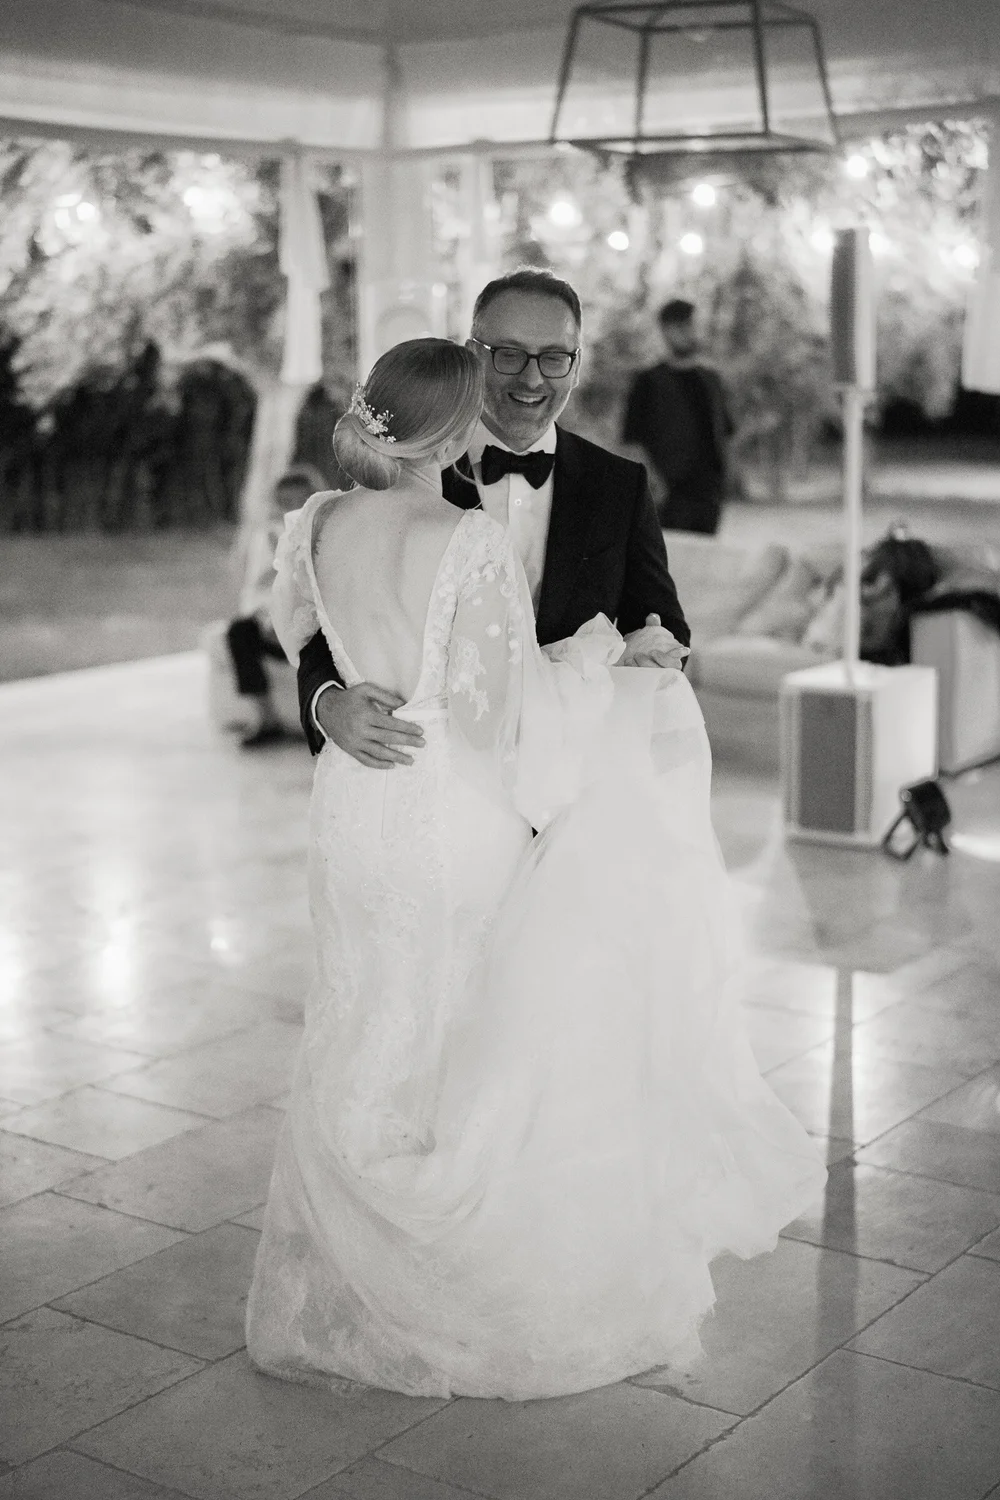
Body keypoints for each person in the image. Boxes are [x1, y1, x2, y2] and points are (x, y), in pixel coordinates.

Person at [245, 336, 826, 1401]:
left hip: (358, 809)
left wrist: (344, 695)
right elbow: (492, 720)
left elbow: (305, 629)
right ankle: (450, 1277)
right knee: (464, 1026)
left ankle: (351, 1267)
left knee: (367, 1014)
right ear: (451, 428)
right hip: (449, 812)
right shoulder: (466, 538)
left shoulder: (317, 520)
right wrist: (604, 669)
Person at [295, 267, 691, 771]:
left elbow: (660, 624)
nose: (533, 378)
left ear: (575, 365)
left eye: (554, 358)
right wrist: (325, 703)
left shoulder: (619, 484)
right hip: (429, 773)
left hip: (571, 774)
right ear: (473, 356)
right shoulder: (405, 466)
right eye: (509, 354)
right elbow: (332, 610)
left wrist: (655, 654)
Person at [226, 465, 326, 747]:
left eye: (300, 501)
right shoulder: (267, 537)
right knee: (240, 631)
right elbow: (255, 588)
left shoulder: (324, 531)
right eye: (286, 502)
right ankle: (265, 718)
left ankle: (323, 720)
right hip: (273, 625)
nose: (293, 508)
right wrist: (265, 617)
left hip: (314, 623)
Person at [622, 298, 732, 535]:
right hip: (666, 496)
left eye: (692, 325)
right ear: (666, 330)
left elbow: (725, 433)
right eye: (681, 326)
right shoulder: (647, 382)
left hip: (708, 497)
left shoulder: (711, 380)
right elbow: (632, 442)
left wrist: (723, 481)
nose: (689, 333)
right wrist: (654, 484)